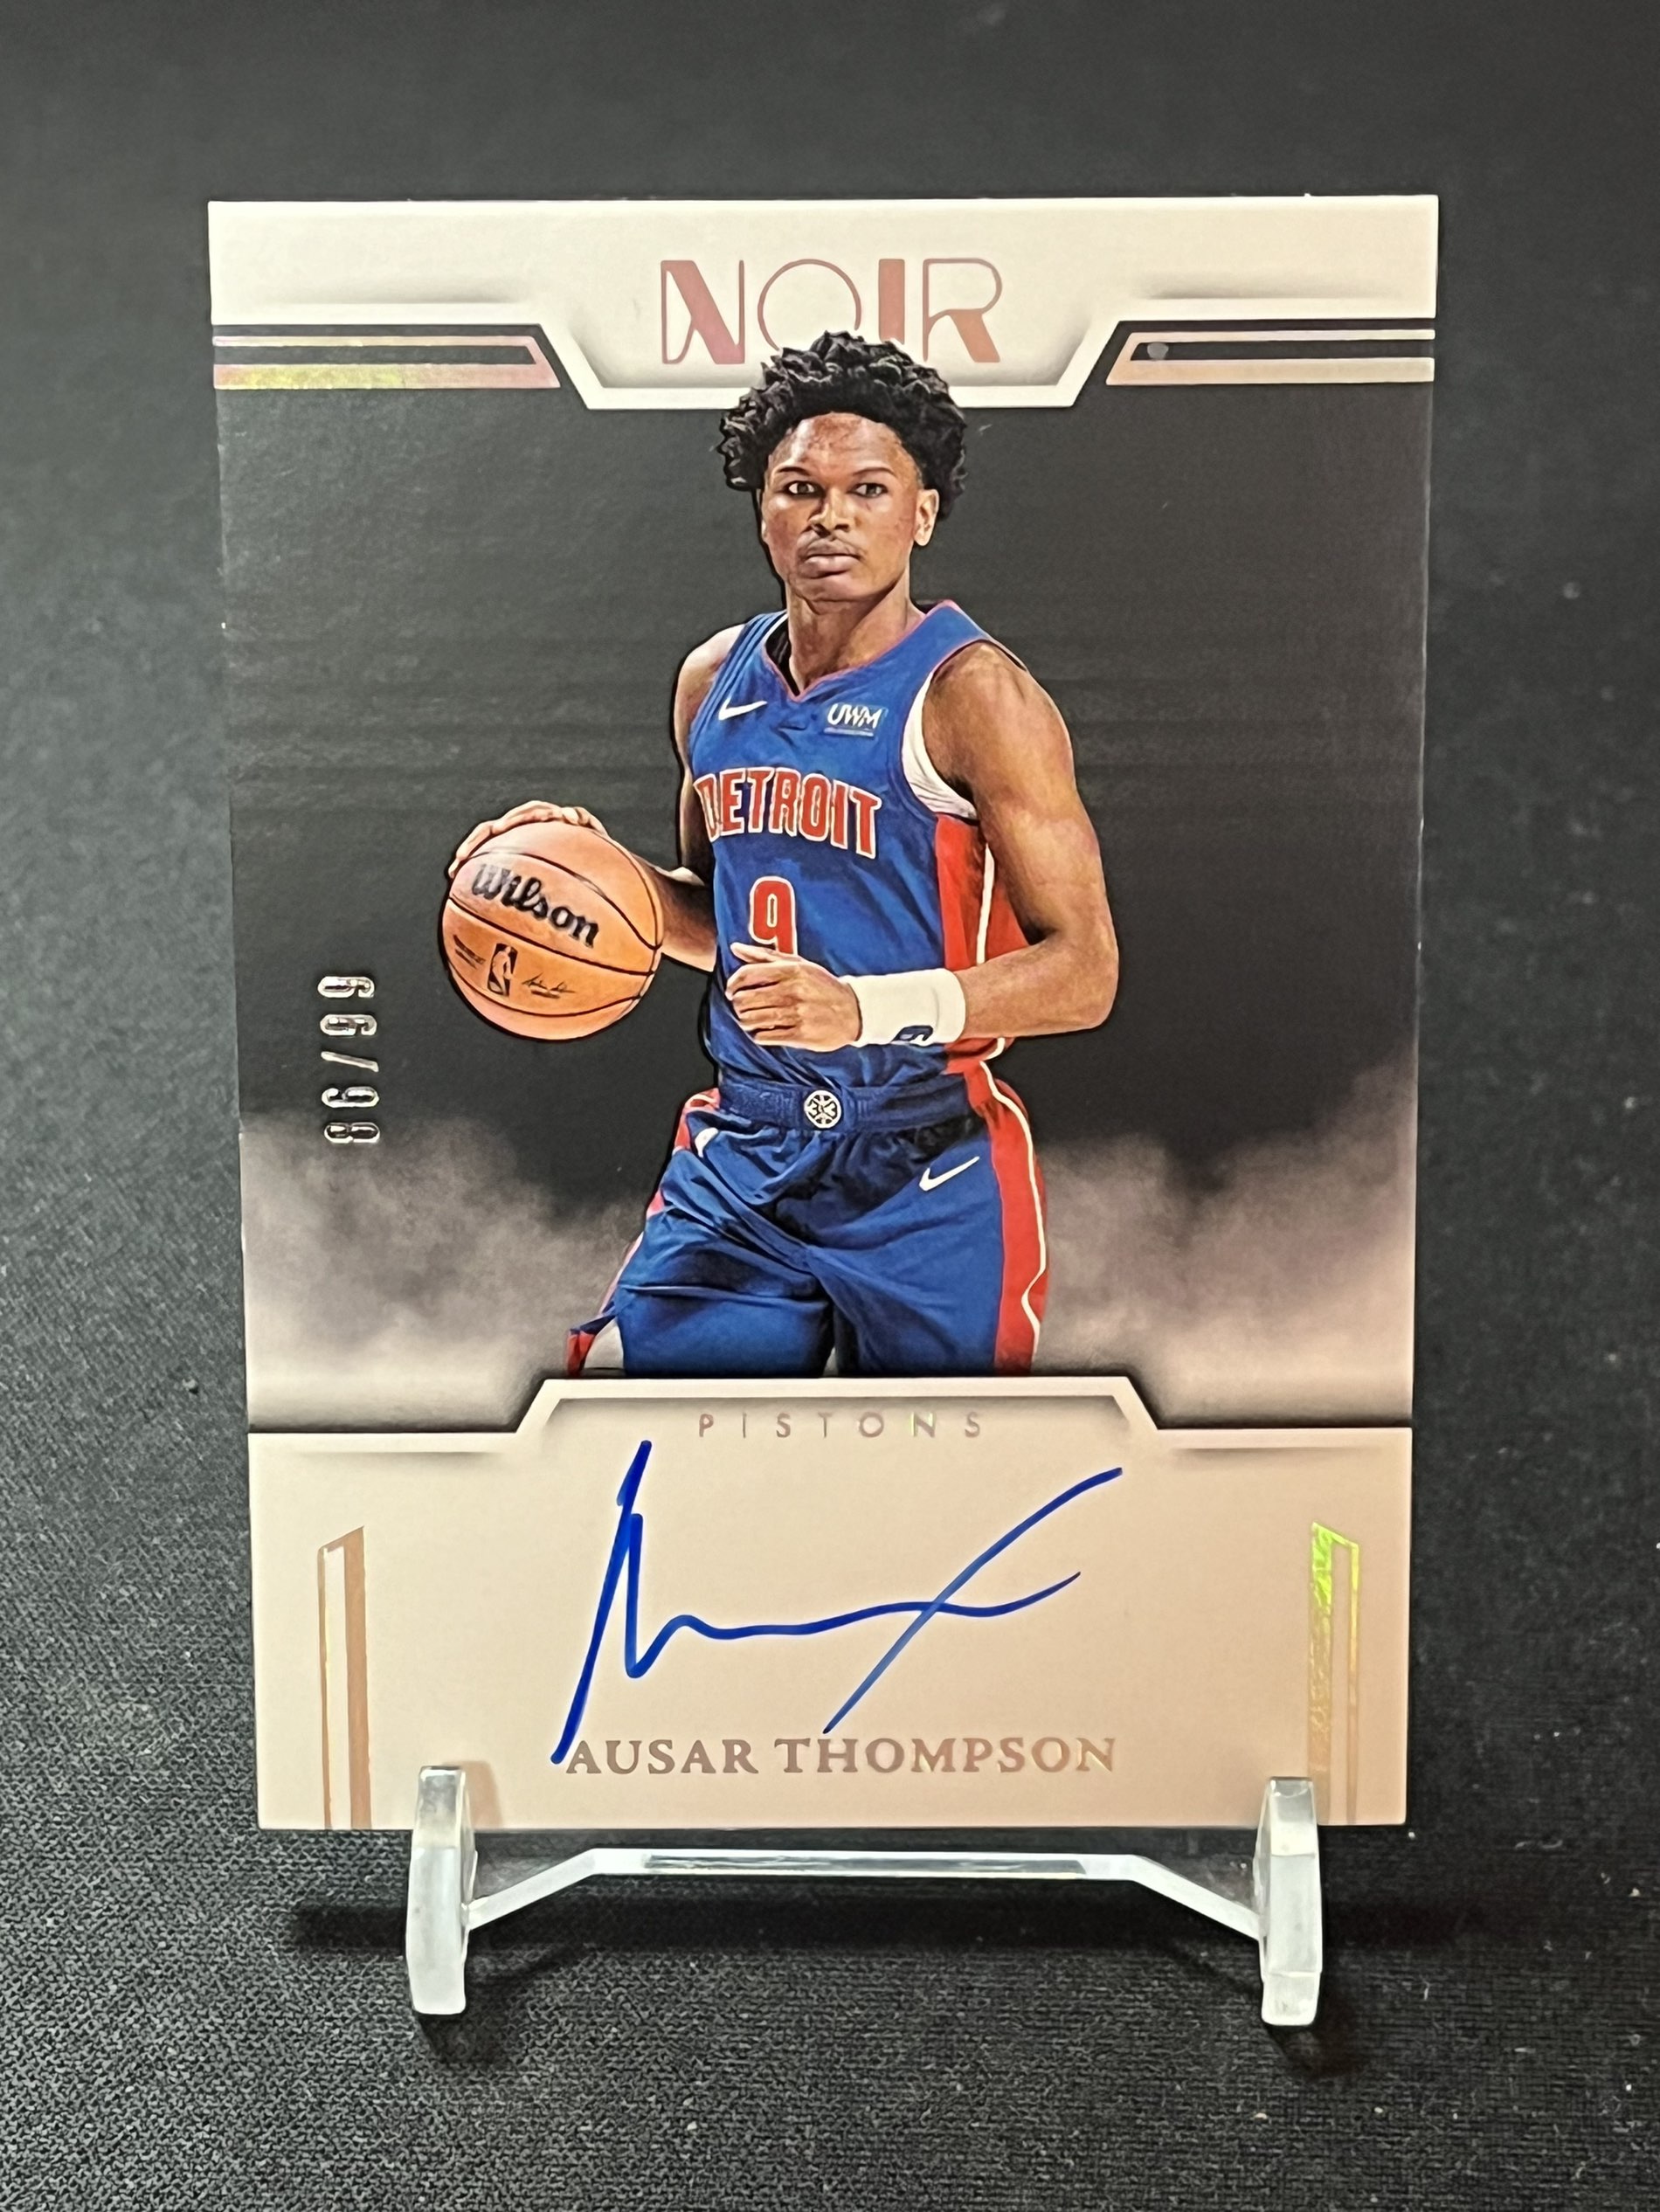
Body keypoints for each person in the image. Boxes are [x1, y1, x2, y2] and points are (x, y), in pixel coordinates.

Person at [451, 331, 1117, 1377]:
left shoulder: (975, 696)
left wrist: (862, 1010)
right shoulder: (713, 680)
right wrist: (579, 875)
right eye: (799, 489)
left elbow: (1084, 973)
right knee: (635, 1428)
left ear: (922, 512)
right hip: (748, 1146)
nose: (830, 517)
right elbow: (716, 923)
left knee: (946, 1465)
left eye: (867, 490)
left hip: (925, 1154)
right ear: (763, 508)